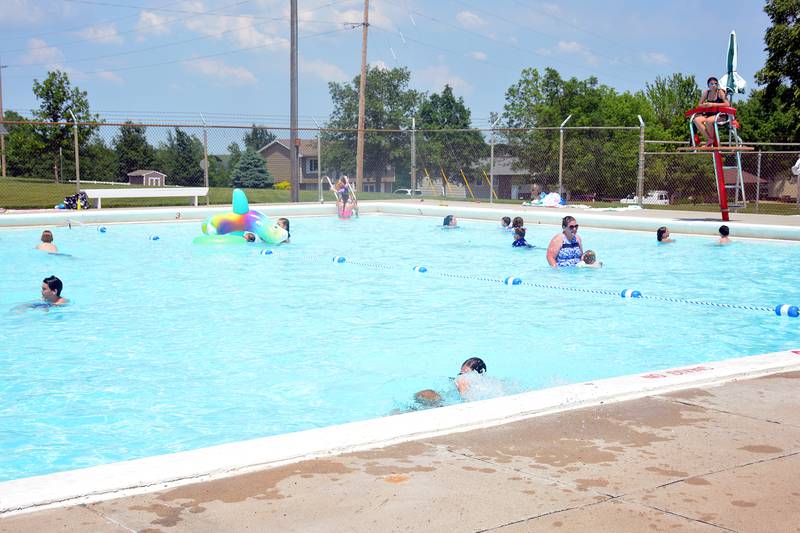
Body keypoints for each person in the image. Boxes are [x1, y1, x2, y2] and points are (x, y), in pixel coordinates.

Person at [694, 77, 730, 146]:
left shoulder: (720, 92)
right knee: (696, 120)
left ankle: (710, 141)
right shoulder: (706, 93)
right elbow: (699, 104)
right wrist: (705, 105)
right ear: (708, 85)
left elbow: (727, 104)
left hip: (721, 115)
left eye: (716, 84)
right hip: (709, 114)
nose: (714, 85)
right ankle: (710, 139)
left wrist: (712, 104)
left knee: (708, 121)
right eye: (712, 84)